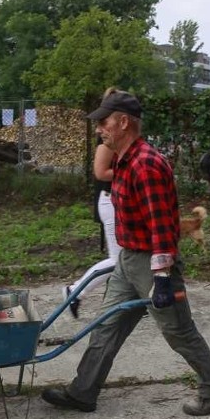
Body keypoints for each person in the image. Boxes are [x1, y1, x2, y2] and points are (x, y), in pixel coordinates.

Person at [41, 90, 210, 416]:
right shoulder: (125, 160)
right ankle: (83, 392)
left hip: (151, 262)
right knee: (107, 326)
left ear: (123, 121)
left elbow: (161, 226)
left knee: (177, 330)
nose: (99, 128)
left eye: (104, 122)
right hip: (129, 259)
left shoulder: (145, 165)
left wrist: (162, 277)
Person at [62, 136, 120, 318]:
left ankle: (126, 300)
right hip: (111, 201)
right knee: (118, 260)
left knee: (129, 257)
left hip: (120, 199)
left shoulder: (123, 139)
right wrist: (134, 170)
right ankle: (75, 291)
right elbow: (101, 172)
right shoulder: (108, 141)